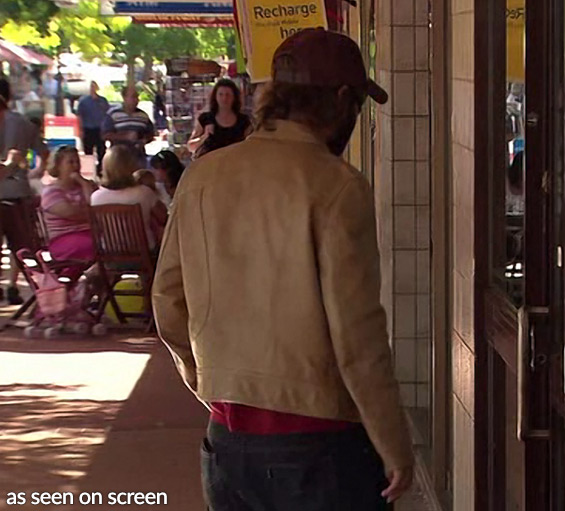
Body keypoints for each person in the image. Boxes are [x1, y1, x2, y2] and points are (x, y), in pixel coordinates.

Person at [153, 28, 414, 511]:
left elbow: (168, 300)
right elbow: (357, 336)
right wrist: (392, 442)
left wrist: (213, 381)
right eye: (358, 105)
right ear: (342, 100)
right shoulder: (337, 186)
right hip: (321, 444)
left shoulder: (203, 176)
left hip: (225, 439)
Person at [0, 78, 50, 304]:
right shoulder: (23, 123)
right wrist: (37, 171)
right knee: (18, 244)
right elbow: (43, 151)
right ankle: (12, 284)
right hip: (18, 190)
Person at [91, 146, 167, 251]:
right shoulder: (144, 193)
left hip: (111, 253)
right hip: (145, 254)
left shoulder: (96, 198)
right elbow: (164, 218)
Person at [41, 146, 97, 262]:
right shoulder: (51, 192)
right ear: (58, 166)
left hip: (92, 233)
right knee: (96, 245)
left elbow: (98, 206)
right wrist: (86, 188)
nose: (75, 166)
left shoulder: (86, 186)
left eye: (77, 162)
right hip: (64, 237)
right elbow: (75, 214)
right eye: (70, 162)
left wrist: (84, 185)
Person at [188, 78, 251, 158]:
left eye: (228, 95)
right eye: (221, 94)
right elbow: (190, 147)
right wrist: (204, 137)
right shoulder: (206, 119)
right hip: (211, 163)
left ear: (234, 97)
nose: (224, 98)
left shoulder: (243, 121)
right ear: (215, 96)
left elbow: (250, 145)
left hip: (235, 162)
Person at [101, 86, 155, 168]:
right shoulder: (113, 114)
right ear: (124, 97)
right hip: (118, 157)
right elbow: (105, 135)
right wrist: (124, 136)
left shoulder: (143, 116)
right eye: (133, 97)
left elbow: (150, 133)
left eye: (137, 97)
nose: (136, 100)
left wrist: (144, 140)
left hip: (138, 157)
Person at [77, 82, 110, 177]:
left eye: (94, 86)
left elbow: (107, 114)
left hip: (100, 129)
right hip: (88, 129)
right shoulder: (83, 101)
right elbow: (80, 116)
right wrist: (80, 130)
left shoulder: (102, 100)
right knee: (88, 152)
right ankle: (89, 171)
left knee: (101, 151)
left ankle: (100, 171)